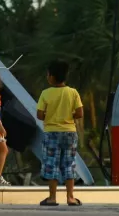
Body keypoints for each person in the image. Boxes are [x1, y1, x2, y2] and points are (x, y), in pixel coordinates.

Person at [36, 60, 84, 207]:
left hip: (51, 133)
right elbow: (80, 113)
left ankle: (52, 198)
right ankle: (70, 197)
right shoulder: (73, 92)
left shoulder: (46, 93)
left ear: (51, 77)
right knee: (69, 163)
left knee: (52, 163)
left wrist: (50, 116)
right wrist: (67, 115)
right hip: (69, 132)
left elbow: (39, 115)